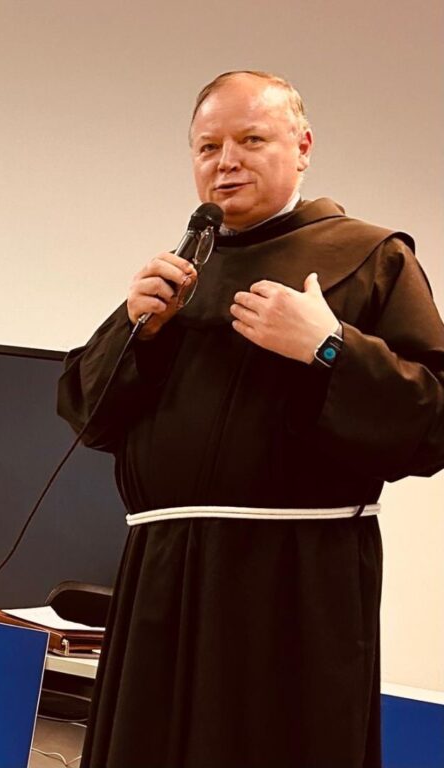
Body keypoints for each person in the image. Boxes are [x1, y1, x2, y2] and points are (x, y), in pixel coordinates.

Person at [57, 71, 444, 768]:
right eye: (208, 147)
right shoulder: (181, 272)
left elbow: (435, 425)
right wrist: (135, 332)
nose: (226, 161)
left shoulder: (374, 258)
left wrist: (330, 347)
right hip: (162, 578)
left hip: (294, 583)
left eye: (251, 140)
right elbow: (88, 418)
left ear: (303, 146)